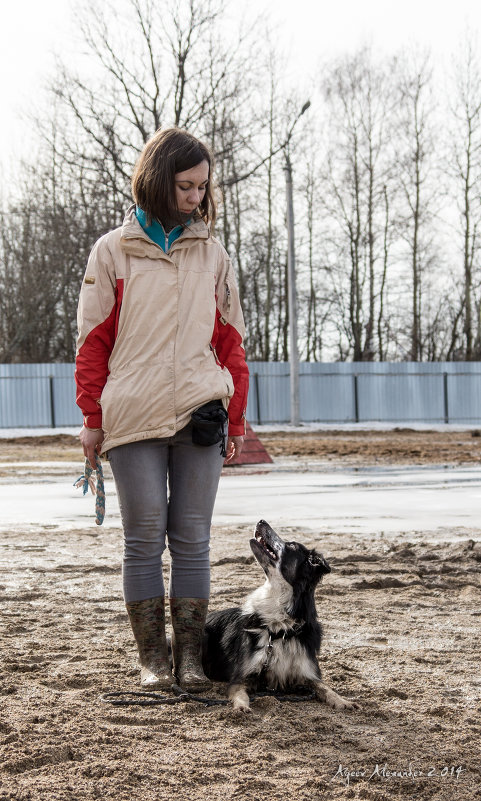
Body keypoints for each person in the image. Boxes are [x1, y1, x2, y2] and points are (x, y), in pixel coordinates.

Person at [75, 128, 249, 692]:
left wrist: (237, 417)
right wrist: (91, 418)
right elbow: (92, 342)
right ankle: (153, 659)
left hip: (200, 408)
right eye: (185, 186)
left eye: (202, 187)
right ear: (157, 181)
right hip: (131, 413)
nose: (196, 197)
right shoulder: (112, 251)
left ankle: (191, 661)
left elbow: (231, 343)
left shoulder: (214, 255)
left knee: (193, 535)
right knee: (145, 534)